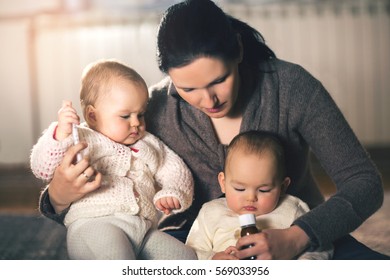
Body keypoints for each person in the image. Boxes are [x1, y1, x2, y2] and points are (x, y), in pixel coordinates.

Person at [38, 0, 389, 259]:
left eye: (219, 80)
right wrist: (58, 195)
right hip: (199, 248)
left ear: (237, 50)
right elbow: (98, 159)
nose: (209, 100)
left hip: (296, 236)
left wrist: (299, 237)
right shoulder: (155, 110)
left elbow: (365, 183)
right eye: (188, 89)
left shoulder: (291, 87)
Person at [30, 59, 196, 260]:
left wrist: (174, 191)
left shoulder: (149, 142)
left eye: (141, 114)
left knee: (185, 258)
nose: (136, 123)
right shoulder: (80, 137)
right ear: (92, 116)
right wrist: (59, 134)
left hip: (143, 230)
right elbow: (41, 167)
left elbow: (174, 168)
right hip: (95, 223)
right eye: (125, 116)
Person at [186, 131, 333, 260]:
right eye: (239, 188)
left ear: (282, 187)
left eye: (263, 190)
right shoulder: (210, 212)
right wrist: (212, 259)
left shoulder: (293, 208)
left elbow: (318, 245)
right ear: (223, 183)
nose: (251, 198)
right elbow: (191, 251)